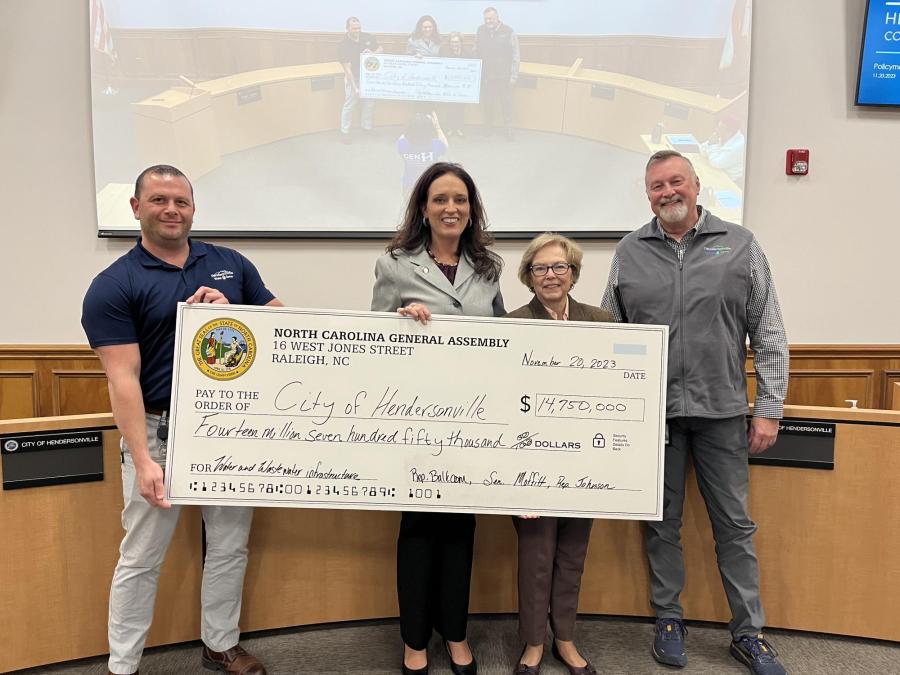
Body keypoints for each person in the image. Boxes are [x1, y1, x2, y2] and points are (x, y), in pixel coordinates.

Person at [81, 164, 283, 675]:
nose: (171, 210)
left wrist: (233, 313)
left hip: (232, 431)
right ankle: (123, 666)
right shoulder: (113, 284)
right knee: (141, 557)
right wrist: (144, 460)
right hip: (158, 433)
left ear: (193, 209)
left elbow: (283, 325)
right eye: (158, 201)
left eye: (181, 201)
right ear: (135, 208)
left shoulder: (229, 264)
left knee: (229, 546)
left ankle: (221, 645)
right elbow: (122, 378)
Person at [600, 150, 789, 675]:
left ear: (697, 185)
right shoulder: (628, 251)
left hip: (723, 411)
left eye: (675, 181)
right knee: (662, 524)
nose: (667, 193)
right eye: (657, 186)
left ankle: (748, 633)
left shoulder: (741, 245)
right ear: (648, 195)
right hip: (653, 417)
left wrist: (768, 408)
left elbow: (769, 331)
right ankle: (668, 620)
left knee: (735, 526)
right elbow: (609, 332)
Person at [371, 162, 504, 675]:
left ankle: (456, 633)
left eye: (461, 200)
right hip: (415, 420)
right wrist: (399, 323)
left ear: (471, 210)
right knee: (418, 530)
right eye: (440, 199)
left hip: (472, 423)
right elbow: (373, 340)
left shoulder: (488, 267)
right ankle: (413, 640)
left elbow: (502, 343)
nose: (452, 208)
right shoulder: (394, 265)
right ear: (423, 209)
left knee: (460, 531)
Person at [505, 233, 610, 675]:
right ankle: (533, 642)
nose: (550, 275)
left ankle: (564, 638)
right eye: (541, 268)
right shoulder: (510, 324)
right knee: (536, 554)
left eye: (559, 267)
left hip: (583, 460)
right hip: (530, 460)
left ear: (574, 273)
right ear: (528, 276)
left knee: (572, 552)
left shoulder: (602, 321)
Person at [475, 7, 519, 139]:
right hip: (487, 76)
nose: (488, 21)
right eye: (486, 19)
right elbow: (476, 49)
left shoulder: (508, 31)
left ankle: (509, 129)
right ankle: (488, 128)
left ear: (497, 18)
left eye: (491, 18)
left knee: (506, 104)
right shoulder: (480, 30)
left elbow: (516, 55)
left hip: (504, 76)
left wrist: (514, 76)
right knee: (488, 104)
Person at [338, 16, 382, 144]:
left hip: (369, 78)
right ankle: (344, 131)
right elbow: (347, 69)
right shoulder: (343, 46)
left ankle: (366, 127)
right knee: (349, 104)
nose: (357, 30)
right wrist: (355, 88)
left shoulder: (367, 37)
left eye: (359, 27)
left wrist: (373, 53)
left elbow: (381, 49)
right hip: (353, 78)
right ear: (347, 29)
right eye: (354, 28)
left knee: (370, 103)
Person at [397, 112, 449, 193]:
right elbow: (445, 145)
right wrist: (437, 127)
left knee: (411, 204)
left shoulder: (402, 145)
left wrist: (411, 126)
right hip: (430, 184)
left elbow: (404, 135)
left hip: (409, 185)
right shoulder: (436, 146)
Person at [439, 32, 475, 137]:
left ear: (461, 42)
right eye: (452, 42)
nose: (455, 44)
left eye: (457, 41)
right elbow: (440, 66)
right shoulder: (444, 51)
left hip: (463, 85)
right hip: (449, 84)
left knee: (460, 106)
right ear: (449, 43)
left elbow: (473, 66)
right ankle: (450, 128)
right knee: (450, 107)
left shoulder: (468, 52)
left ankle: (459, 128)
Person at [700, 116, 746, 184]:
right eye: (717, 127)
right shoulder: (722, 135)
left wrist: (712, 145)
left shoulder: (738, 146)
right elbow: (702, 151)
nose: (716, 130)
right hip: (718, 171)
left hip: (730, 180)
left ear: (729, 132)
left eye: (720, 128)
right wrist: (709, 143)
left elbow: (717, 163)